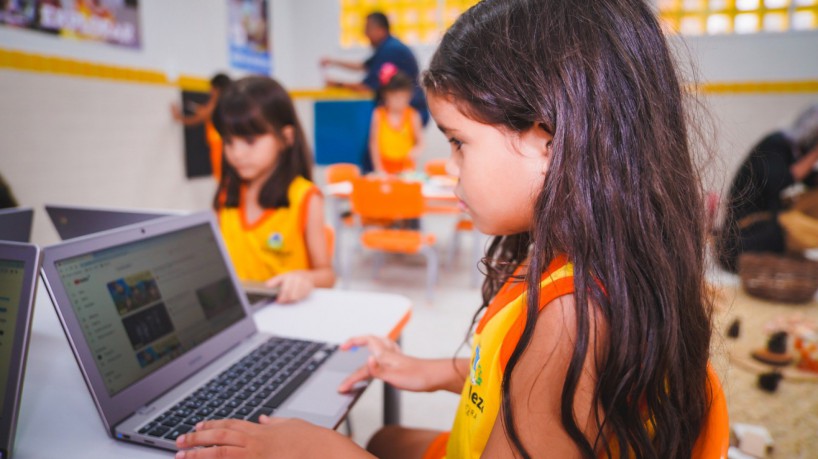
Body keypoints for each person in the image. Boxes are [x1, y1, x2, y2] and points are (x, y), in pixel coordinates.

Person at [175, 0, 718, 457]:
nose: (450, 167)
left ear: (548, 137)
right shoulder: (570, 256)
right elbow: (515, 369)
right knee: (385, 435)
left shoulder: (574, 318)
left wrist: (324, 452)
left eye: (458, 142)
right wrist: (429, 370)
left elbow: (543, 378)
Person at [211, 76, 335, 304]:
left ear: (285, 138)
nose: (236, 153)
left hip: (286, 314)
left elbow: (327, 275)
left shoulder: (305, 197)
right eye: (228, 142)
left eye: (249, 140)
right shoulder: (226, 195)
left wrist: (303, 278)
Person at [717, 104, 818, 272]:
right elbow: (781, 181)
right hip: (746, 232)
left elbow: (811, 181)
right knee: (793, 223)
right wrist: (814, 154)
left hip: (769, 220)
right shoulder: (775, 145)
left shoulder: (793, 151)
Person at [321, 11, 428, 126]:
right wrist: (333, 62)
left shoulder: (390, 50)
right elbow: (363, 66)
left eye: (367, 29)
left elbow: (366, 87)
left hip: (408, 112)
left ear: (380, 30)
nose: (365, 34)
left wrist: (337, 84)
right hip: (405, 111)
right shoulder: (388, 46)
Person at [171, 73, 232, 180]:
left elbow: (202, 115)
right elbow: (204, 112)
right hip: (221, 146)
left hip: (221, 147)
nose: (210, 91)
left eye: (212, 88)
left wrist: (179, 117)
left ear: (217, 88)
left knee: (224, 179)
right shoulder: (229, 102)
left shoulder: (218, 102)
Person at [369, 65, 424, 174]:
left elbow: (420, 142)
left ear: (409, 96)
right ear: (386, 96)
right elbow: (374, 144)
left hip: (406, 166)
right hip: (384, 166)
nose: (399, 102)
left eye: (403, 97)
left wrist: (415, 151)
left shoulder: (413, 115)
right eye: (396, 97)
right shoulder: (378, 114)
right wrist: (378, 168)